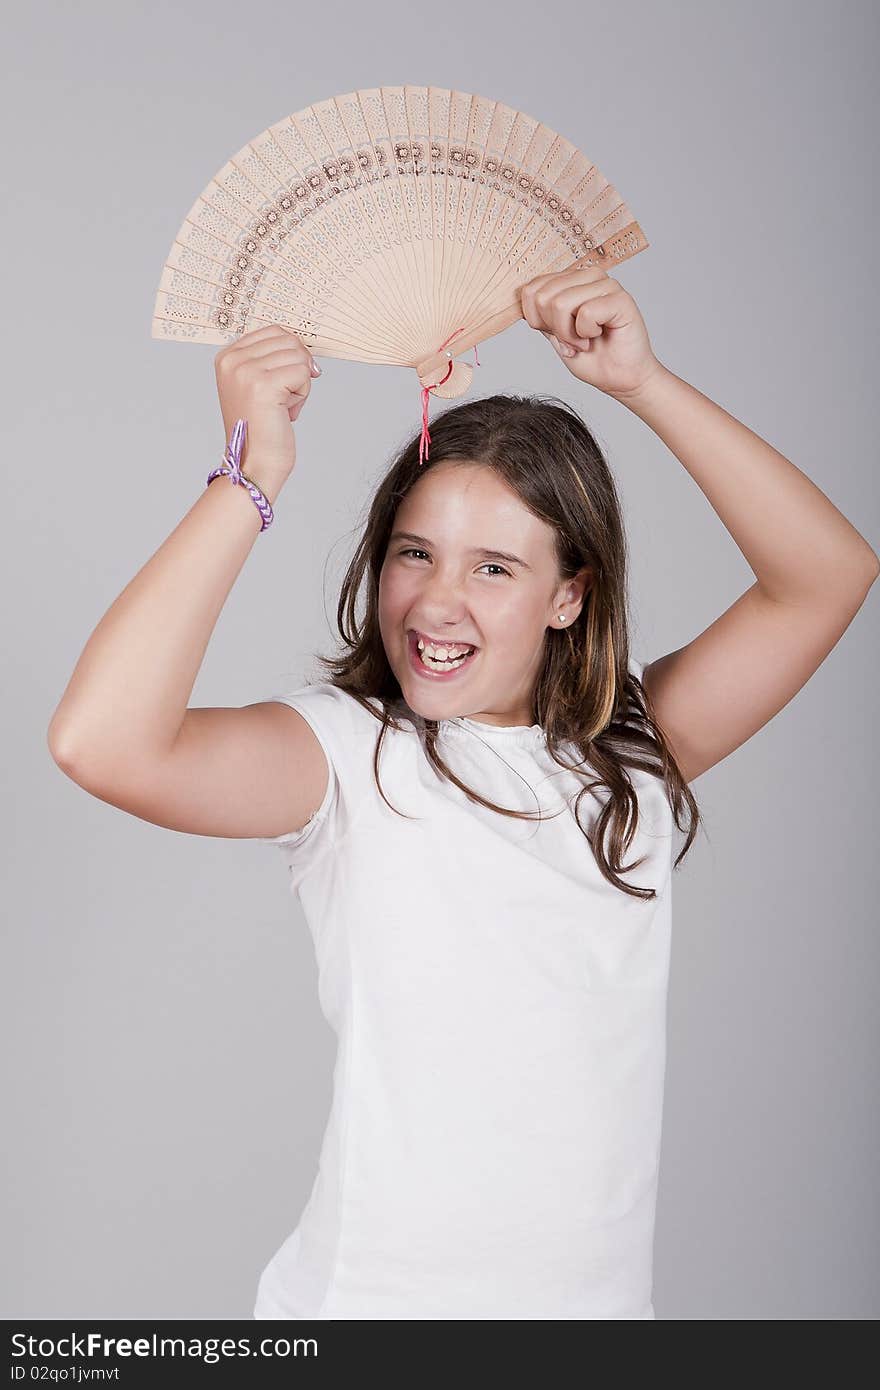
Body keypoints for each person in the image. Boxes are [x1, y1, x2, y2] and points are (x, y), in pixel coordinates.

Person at [47, 268, 879, 1320]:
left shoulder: (629, 758)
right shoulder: (350, 755)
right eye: (414, 552)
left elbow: (829, 573)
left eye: (493, 567)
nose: (436, 600)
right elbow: (99, 742)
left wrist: (645, 383)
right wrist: (250, 476)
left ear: (568, 594)